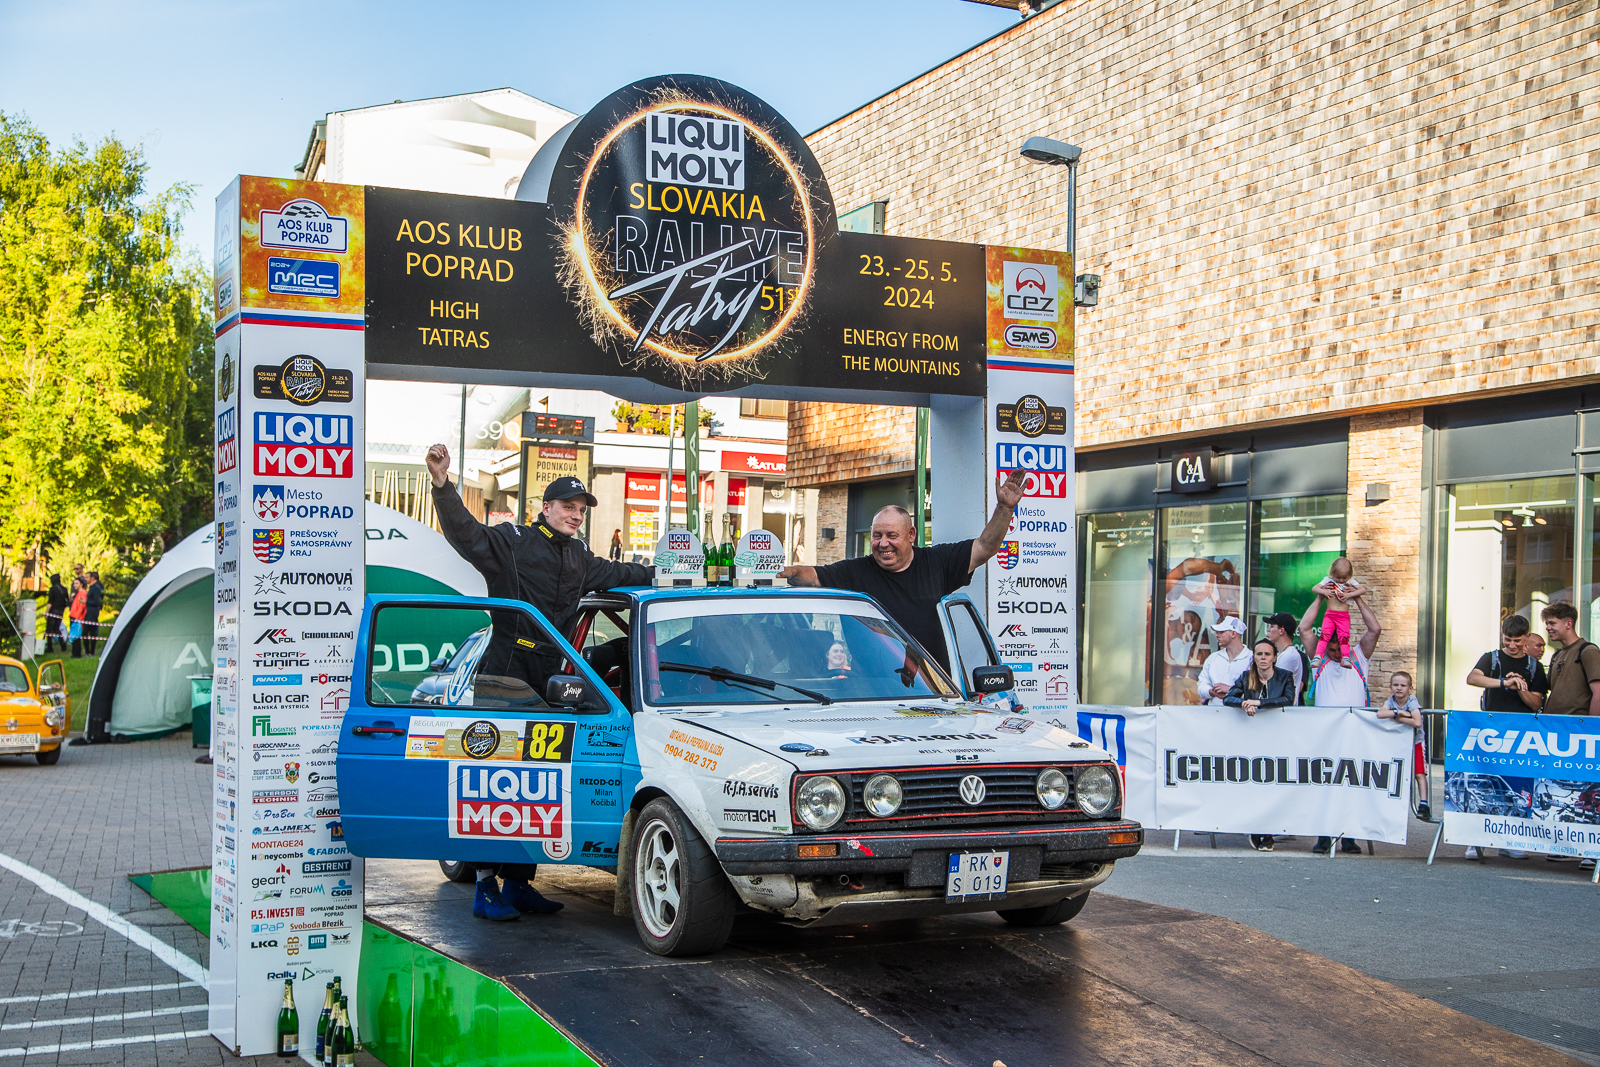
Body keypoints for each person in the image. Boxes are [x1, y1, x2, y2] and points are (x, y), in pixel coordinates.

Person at [426, 442, 653, 922]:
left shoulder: (581, 556)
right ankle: (484, 887)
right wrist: (442, 484)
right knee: (493, 783)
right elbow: (465, 533)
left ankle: (518, 884)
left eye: (581, 509)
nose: (575, 515)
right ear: (545, 508)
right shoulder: (512, 541)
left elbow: (626, 571)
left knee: (537, 785)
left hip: (553, 679)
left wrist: (683, 572)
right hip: (505, 673)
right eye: (567, 506)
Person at [780, 470, 1026, 674]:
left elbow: (984, 547)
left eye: (891, 535)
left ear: (911, 535)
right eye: (877, 535)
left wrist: (1004, 508)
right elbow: (815, 577)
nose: (883, 543)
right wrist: (786, 570)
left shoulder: (937, 562)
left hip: (934, 691)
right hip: (878, 691)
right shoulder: (856, 571)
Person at [1299, 583, 1380, 854]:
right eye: (1331, 649)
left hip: (1354, 733)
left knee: (1351, 785)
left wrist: (1356, 598)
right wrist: (1322, 598)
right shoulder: (1320, 659)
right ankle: (1324, 836)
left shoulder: (1357, 656)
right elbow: (1304, 629)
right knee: (1324, 785)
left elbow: (1375, 629)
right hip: (1326, 734)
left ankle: (1349, 836)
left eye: (1337, 649)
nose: (1335, 654)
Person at [1225, 638, 1297, 854]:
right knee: (1255, 783)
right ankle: (1258, 829)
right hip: (1252, 739)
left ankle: (1268, 831)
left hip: (1279, 738)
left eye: (1267, 654)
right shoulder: (1246, 677)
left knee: (1274, 783)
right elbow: (1229, 698)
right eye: (1259, 654)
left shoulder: (1285, 676)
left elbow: (1288, 699)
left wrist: (1259, 703)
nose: (1263, 658)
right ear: (1254, 657)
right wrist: (1243, 703)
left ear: (1274, 657)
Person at [1466, 615, 1545, 712]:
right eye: (1508, 640)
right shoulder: (1491, 658)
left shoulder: (1535, 666)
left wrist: (1519, 686)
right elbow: (1472, 679)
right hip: (1494, 718)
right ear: (1502, 634)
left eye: (1517, 641)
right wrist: (1505, 683)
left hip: (1522, 720)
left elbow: (1536, 705)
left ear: (1527, 637)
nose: (1512, 645)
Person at [1378, 671, 1429, 822]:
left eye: (1403, 685)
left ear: (1410, 688)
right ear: (1390, 687)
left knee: (1419, 773)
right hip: (1398, 742)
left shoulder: (1412, 702)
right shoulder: (1391, 701)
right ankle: (1393, 804)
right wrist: (1398, 712)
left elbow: (1417, 722)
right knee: (1396, 772)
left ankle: (1424, 804)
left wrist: (1399, 719)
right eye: (1396, 685)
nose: (1399, 688)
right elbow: (1380, 714)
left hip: (1416, 742)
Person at [1541, 601, 1600, 717]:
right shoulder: (1557, 655)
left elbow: (1598, 692)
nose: (1548, 628)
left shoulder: (1588, 651)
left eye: (1552, 623)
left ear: (1569, 624)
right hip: (1553, 723)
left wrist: (1591, 725)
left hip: (1576, 724)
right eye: (1547, 624)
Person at [1310, 557, 1364, 668]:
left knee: (1344, 637)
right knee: (1324, 635)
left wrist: (1350, 594)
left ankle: (1345, 657)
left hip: (1343, 615)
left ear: (1349, 575)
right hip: (1330, 614)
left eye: (1344, 577)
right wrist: (1324, 591)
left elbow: (1362, 590)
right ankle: (1318, 656)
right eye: (1338, 577)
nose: (1341, 580)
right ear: (1332, 573)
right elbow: (1315, 588)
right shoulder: (1328, 581)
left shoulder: (1350, 582)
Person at [1194, 616, 1251, 706]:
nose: (1217, 635)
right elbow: (1201, 686)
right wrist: (1211, 692)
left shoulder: (1251, 658)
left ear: (1233, 634)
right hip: (1215, 712)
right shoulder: (1213, 658)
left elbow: (1257, 691)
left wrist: (1231, 690)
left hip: (1241, 713)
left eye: (1222, 632)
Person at [1263, 611, 1306, 703]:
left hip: (1282, 709)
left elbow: (1275, 689)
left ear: (1281, 631)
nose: (1268, 629)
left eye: (1272, 626)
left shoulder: (1288, 656)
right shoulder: (1283, 654)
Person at [43, 575, 67, 654]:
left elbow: (50, 602)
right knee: (57, 628)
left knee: (49, 630)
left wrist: (47, 612)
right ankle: (62, 644)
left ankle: (50, 647)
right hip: (60, 611)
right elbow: (66, 601)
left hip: (53, 611)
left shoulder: (52, 589)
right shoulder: (64, 589)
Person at [84, 571, 104, 655]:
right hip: (88, 612)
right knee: (85, 632)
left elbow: (97, 601)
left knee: (91, 632)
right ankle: (87, 651)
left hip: (92, 613)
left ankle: (91, 652)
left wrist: (86, 602)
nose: (85, 579)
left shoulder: (96, 588)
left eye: (87, 577)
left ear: (92, 578)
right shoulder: (91, 587)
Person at [67, 577, 87, 659]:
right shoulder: (78, 593)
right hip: (74, 615)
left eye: (77, 583)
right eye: (74, 583)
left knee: (76, 635)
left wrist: (77, 616)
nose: (75, 585)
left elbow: (82, 605)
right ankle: (75, 653)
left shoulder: (82, 592)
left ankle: (76, 653)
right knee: (74, 635)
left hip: (77, 617)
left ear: (81, 584)